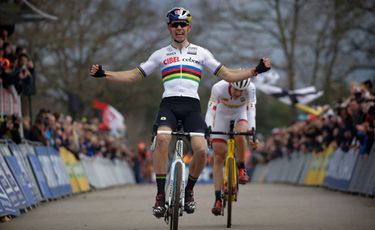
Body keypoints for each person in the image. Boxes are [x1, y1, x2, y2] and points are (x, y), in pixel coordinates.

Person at [90, 7, 271, 219]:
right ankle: (159, 195)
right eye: (175, 24)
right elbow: (133, 76)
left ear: (189, 28)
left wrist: (255, 70)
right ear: (169, 27)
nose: (179, 28)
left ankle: (189, 190)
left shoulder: (201, 53)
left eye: (183, 24)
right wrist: (105, 74)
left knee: (201, 150)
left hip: (192, 106)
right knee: (163, 139)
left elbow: (229, 74)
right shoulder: (160, 54)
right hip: (169, 104)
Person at [205, 78, 259, 215]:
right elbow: (210, 110)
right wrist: (208, 129)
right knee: (219, 157)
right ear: (230, 84)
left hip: (240, 114)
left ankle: (241, 168)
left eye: (241, 91)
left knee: (241, 134)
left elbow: (251, 110)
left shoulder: (251, 88)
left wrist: (252, 132)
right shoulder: (218, 87)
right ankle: (217, 198)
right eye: (236, 90)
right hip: (221, 116)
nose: (238, 93)